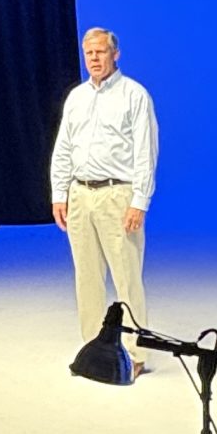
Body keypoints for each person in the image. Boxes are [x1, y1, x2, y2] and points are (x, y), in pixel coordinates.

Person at [48, 26, 158, 363]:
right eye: (89, 53)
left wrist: (139, 201)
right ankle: (94, 348)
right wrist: (59, 194)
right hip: (80, 194)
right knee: (87, 277)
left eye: (100, 52)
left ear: (115, 54)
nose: (94, 58)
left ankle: (136, 355)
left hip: (117, 195)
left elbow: (145, 152)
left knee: (126, 278)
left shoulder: (134, 95)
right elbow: (63, 148)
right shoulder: (77, 97)